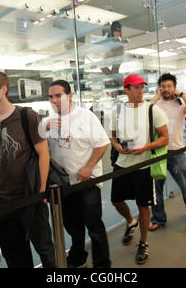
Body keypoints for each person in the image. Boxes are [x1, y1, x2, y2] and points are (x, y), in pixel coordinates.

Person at [0, 70, 55, 268]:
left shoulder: (27, 115)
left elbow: (43, 153)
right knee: (14, 255)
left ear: (3, 89)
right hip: (3, 201)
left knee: (45, 249)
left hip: (30, 195)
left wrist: (41, 190)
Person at [44, 80, 111, 268]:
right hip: (63, 185)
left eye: (58, 96)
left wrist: (89, 166)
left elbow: (102, 143)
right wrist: (44, 128)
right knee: (73, 226)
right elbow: (40, 148)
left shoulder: (85, 116)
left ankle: (102, 264)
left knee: (94, 226)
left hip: (86, 182)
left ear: (70, 96)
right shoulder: (49, 121)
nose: (54, 100)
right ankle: (78, 256)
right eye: (51, 96)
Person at [110, 74, 169, 264]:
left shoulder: (153, 110)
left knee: (143, 205)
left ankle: (143, 242)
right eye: (136, 87)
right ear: (126, 90)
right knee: (116, 200)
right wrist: (117, 146)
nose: (140, 91)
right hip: (121, 164)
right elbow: (112, 135)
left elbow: (164, 138)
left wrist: (145, 147)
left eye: (142, 87)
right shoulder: (117, 111)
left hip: (144, 166)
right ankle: (130, 221)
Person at [148, 73, 186, 228]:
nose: (166, 89)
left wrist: (182, 94)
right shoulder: (155, 104)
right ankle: (158, 218)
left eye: (169, 86)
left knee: (184, 183)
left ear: (174, 87)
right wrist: (156, 97)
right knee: (155, 188)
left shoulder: (180, 103)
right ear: (159, 88)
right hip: (158, 151)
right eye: (163, 86)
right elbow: (144, 111)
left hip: (176, 150)